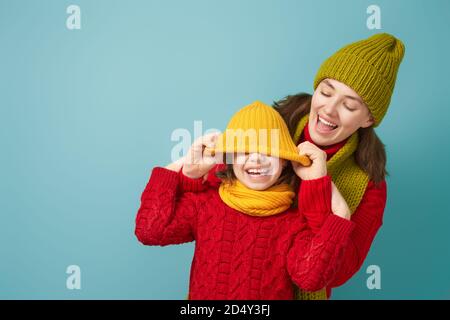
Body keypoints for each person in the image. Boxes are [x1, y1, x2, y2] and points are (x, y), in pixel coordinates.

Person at [135, 101, 355, 299]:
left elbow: (311, 278)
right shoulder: (206, 205)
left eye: (269, 152)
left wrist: (340, 210)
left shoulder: (293, 223)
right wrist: (184, 166)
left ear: (286, 162)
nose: (257, 160)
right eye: (244, 151)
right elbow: (151, 230)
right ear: (229, 158)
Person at [273, 32, 406, 299]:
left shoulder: (370, 186)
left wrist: (320, 188)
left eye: (349, 105)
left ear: (368, 119)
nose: (329, 109)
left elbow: (340, 270)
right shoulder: (272, 124)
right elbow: (216, 193)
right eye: (326, 92)